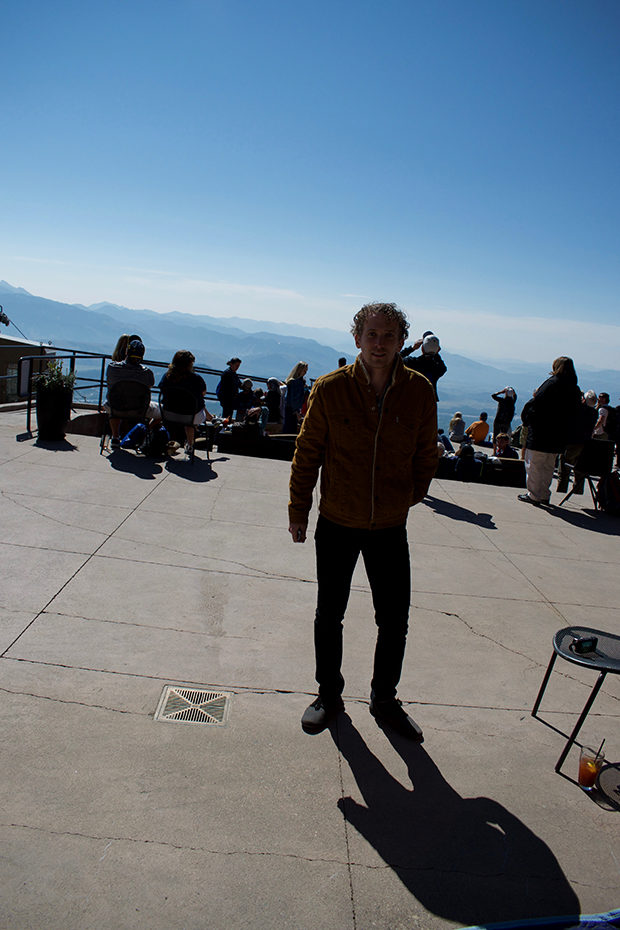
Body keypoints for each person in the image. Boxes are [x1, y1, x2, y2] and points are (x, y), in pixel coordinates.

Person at [289, 302, 437, 740]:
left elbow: (427, 452)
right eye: (371, 334)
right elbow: (307, 453)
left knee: (393, 620)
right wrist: (299, 510)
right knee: (329, 614)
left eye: (389, 335)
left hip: (389, 526)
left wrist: (409, 496)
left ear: (402, 342)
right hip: (337, 520)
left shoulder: (419, 390)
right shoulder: (330, 388)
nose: (379, 344)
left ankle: (384, 699)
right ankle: (328, 696)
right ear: (357, 338)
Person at [518, 357, 582, 505]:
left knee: (534, 465)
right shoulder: (574, 388)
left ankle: (533, 495)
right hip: (559, 436)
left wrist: (528, 419)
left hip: (541, 433)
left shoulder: (551, 384)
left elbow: (536, 405)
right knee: (548, 467)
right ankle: (544, 494)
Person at [105, 339, 160, 449]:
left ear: (127, 352)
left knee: (112, 404)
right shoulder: (147, 373)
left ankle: (115, 437)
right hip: (139, 410)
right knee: (161, 412)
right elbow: (149, 385)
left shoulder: (112, 368)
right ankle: (143, 433)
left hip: (116, 407)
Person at [159, 350, 213, 455]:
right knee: (191, 420)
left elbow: (162, 389)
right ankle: (190, 444)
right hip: (189, 416)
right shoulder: (196, 378)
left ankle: (153, 437)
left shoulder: (167, 376)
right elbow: (203, 393)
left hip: (168, 414)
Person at [401, 332, 447, 400]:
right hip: (430, 401)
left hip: (412, 400)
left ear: (422, 348)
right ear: (437, 350)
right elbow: (443, 367)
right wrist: (436, 353)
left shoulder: (411, 363)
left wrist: (412, 348)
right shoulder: (438, 368)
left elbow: (395, 358)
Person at [283, 361, 308, 433]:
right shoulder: (295, 382)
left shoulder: (299, 382)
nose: (305, 372)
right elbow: (293, 399)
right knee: (290, 429)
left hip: (293, 409)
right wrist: (296, 412)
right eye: (304, 370)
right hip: (292, 410)